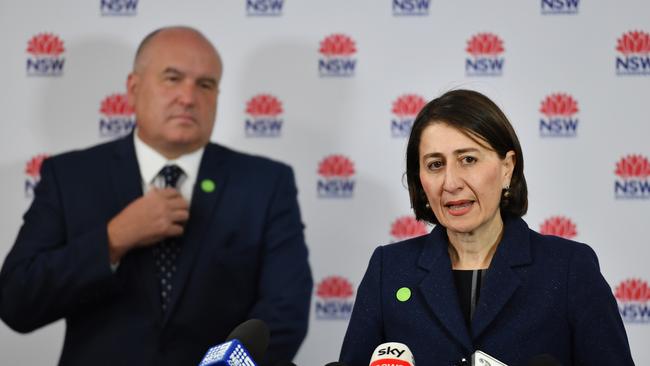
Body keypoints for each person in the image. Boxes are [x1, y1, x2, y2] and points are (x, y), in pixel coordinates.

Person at [0, 26, 312, 366]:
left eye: (205, 85)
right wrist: (112, 240)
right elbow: (16, 300)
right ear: (133, 89)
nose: (189, 98)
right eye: (172, 79)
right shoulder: (71, 177)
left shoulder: (265, 183)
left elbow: (285, 311)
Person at [339, 90, 634, 365]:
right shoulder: (389, 269)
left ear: (507, 168)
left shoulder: (568, 268)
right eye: (435, 165)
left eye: (468, 159)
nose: (451, 183)